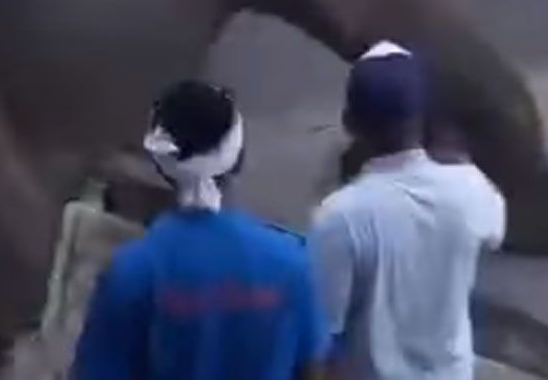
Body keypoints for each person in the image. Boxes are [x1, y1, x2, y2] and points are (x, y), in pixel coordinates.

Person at [73, 79, 329, 380]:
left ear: (160, 164)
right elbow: (314, 370)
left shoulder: (131, 271)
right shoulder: (292, 263)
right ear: (238, 159)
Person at [310, 42, 506, 380]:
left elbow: (321, 333)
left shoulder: (338, 217)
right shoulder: (473, 190)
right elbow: (494, 234)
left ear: (349, 122)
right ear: (423, 117)